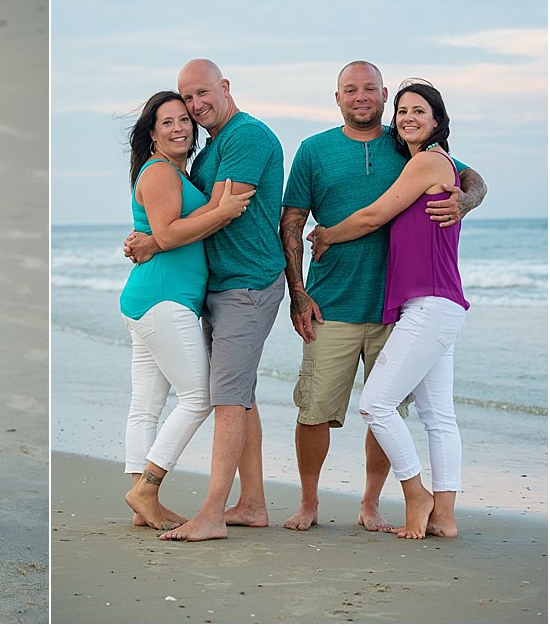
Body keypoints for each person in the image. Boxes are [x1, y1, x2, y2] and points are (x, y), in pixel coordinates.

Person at [279, 61, 486, 532]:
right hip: (332, 302)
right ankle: (310, 503)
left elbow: (472, 180)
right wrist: (297, 293)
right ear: (337, 98)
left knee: (383, 411)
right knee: (315, 410)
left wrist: (465, 202)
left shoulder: (411, 150)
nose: (360, 97)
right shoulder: (315, 150)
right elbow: (291, 223)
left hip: (397, 309)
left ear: (383, 94)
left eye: (369, 89)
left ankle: (372, 503)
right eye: (350, 90)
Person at [128, 59, 285, 542]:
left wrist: (157, 239)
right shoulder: (204, 153)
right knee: (238, 398)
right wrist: (158, 239)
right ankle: (251, 504)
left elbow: (223, 209)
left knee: (223, 399)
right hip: (212, 290)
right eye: (183, 102)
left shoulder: (247, 136)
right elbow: (197, 216)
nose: (194, 109)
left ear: (225, 87)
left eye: (200, 96)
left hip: (247, 283)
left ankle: (213, 512)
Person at [119, 91, 253, 530]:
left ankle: (143, 501)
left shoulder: (175, 172)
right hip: (163, 301)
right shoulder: (159, 172)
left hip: (151, 300)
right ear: (152, 133)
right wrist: (225, 210)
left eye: (184, 120)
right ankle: (147, 487)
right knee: (199, 397)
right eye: (167, 122)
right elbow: (169, 233)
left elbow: (159, 233)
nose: (179, 128)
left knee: (147, 405)